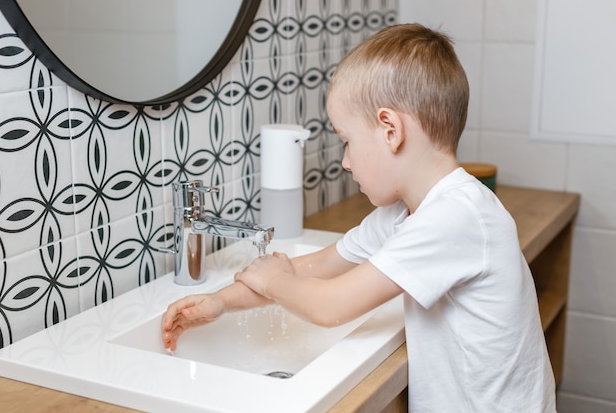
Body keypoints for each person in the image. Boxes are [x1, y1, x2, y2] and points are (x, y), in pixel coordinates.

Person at [162, 23, 556, 412]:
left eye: (347, 141)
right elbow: (318, 268)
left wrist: (274, 279)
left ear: (390, 130)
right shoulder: (403, 213)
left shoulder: (456, 217)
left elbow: (331, 305)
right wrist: (221, 302)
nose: (346, 162)